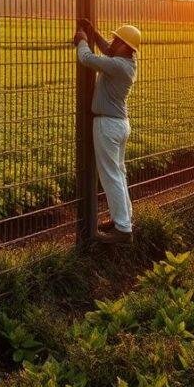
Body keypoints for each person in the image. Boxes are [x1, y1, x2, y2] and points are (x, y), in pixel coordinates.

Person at [71, 18, 141, 244]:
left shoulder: (117, 65)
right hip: (119, 124)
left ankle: (123, 229)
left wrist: (82, 40)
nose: (112, 42)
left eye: (117, 40)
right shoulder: (128, 62)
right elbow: (109, 50)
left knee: (111, 175)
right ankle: (124, 219)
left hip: (108, 125)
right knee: (118, 173)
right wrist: (94, 32)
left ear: (125, 46)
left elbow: (87, 58)